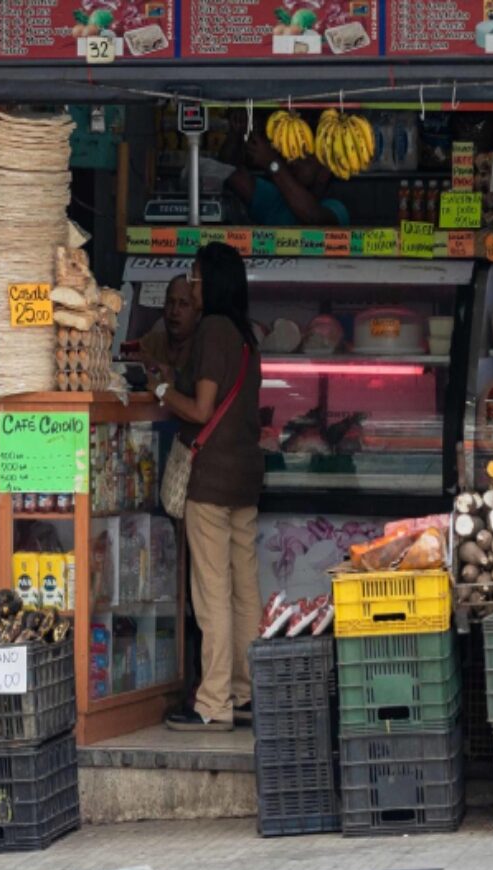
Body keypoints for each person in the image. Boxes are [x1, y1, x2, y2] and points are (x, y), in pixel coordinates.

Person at [149, 243, 263, 732]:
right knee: (243, 589)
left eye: (195, 277)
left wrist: (160, 390)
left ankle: (212, 701)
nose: (190, 286)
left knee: (211, 592)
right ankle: (243, 691)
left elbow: (200, 410)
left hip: (211, 479)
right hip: (244, 479)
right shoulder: (245, 335)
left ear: (212, 282)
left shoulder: (214, 328)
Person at [221, 110, 350, 227]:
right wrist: (236, 132)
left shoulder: (336, 209)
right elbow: (229, 172)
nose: (292, 162)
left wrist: (272, 163)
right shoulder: (274, 198)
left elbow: (313, 217)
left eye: (303, 156)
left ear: (324, 171)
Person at [136, 274, 201, 374]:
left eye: (183, 304)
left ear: (197, 313)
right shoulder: (153, 341)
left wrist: (158, 367)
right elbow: (126, 353)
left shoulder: (203, 347)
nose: (174, 311)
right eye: (171, 302)